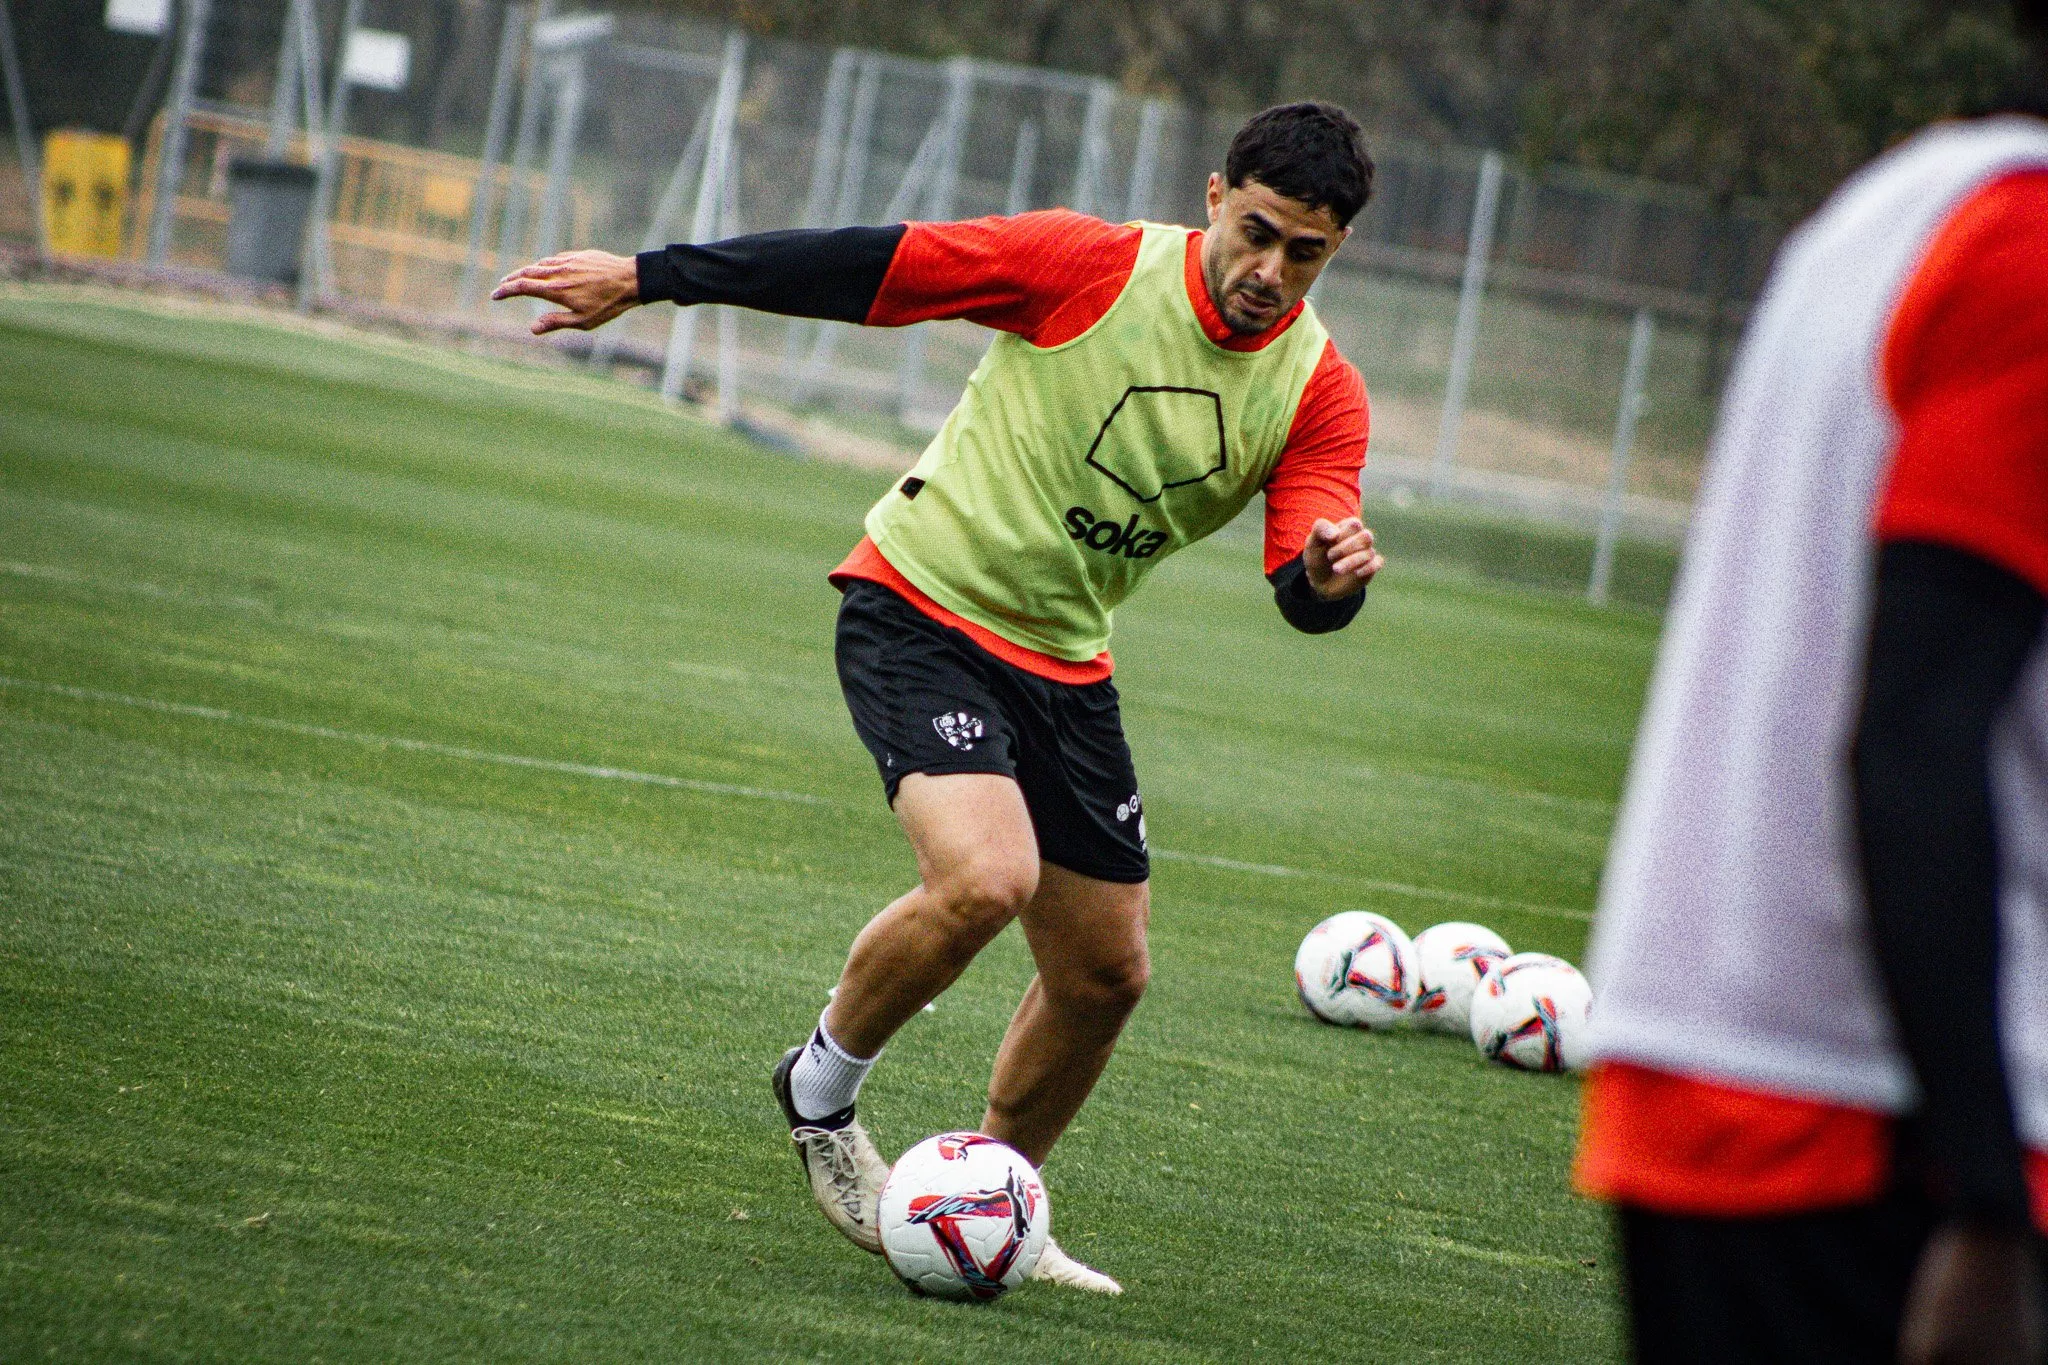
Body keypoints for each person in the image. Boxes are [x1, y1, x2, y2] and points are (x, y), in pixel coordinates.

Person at [493, 102, 1382, 1291]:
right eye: (1256, 233)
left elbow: (1299, 574)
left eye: (1303, 252)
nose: (1269, 271)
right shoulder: (1088, 267)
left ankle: (990, 1201)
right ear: (1213, 196)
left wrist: (1326, 582)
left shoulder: (1319, 390)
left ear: (1335, 252)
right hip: (919, 604)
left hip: (1066, 662)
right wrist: (652, 277)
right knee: (983, 879)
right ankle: (819, 1091)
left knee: (1104, 975)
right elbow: (877, 265)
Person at [1573, 5, 2048, 1359]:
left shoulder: (1889, 207)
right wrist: (1985, 1197)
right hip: (1873, 1120)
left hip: (1732, 1081)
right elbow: (1912, 731)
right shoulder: (2023, 253)